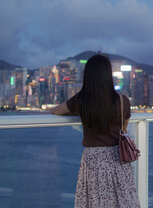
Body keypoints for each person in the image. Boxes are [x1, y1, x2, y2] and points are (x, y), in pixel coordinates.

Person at [51, 54, 140, 208]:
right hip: (118, 158)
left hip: (93, 160)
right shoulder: (122, 101)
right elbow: (123, 129)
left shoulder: (81, 100)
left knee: (94, 201)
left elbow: (56, 111)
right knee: (123, 201)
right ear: (108, 75)